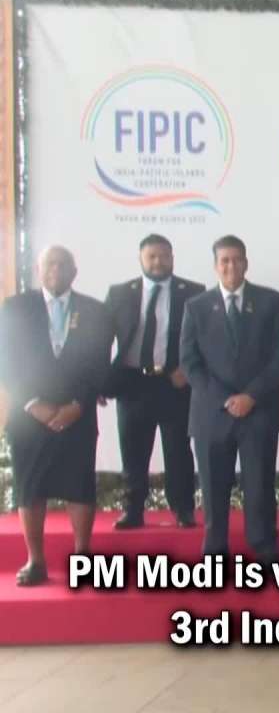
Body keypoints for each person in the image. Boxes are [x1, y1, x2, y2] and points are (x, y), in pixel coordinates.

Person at [0, 246, 112, 586]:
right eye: (51, 263)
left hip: (77, 412)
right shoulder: (15, 308)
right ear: (38, 268)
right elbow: (6, 360)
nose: (57, 269)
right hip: (28, 414)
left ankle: (83, 557)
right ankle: (36, 561)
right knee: (30, 488)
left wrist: (78, 404)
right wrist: (34, 404)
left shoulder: (95, 311)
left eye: (64, 264)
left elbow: (100, 364)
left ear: (74, 271)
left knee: (80, 487)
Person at [180, 235, 279, 563]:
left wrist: (251, 396)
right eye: (224, 260)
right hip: (212, 413)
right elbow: (190, 362)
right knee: (214, 488)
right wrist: (227, 399)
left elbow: (278, 356)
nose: (231, 266)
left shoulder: (269, 301)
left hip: (259, 410)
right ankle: (215, 549)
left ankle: (264, 546)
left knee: (259, 486)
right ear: (216, 265)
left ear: (246, 262)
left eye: (237, 259)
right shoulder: (196, 307)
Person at [103, 233, 204, 530]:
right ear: (141, 259)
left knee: (179, 451)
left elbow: (205, 337)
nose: (158, 262)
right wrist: (101, 381)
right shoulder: (120, 293)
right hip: (133, 382)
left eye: (164, 256)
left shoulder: (194, 292)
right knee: (133, 451)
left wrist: (187, 369)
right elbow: (101, 340)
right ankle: (133, 510)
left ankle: (183, 509)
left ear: (172, 257)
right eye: (152, 257)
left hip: (174, 383)